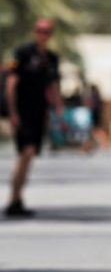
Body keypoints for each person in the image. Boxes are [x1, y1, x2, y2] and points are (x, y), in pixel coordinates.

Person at [4, 18, 64, 218]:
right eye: (40, 30)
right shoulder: (22, 54)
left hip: (40, 113)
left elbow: (54, 87)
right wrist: (12, 112)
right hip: (23, 112)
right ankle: (13, 199)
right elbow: (11, 84)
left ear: (51, 34)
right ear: (34, 31)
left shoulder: (52, 58)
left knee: (29, 157)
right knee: (26, 153)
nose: (43, 34)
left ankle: (17, 199)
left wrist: (59, 111)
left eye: (47, 31)